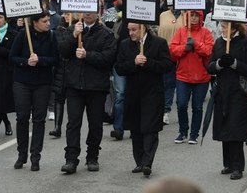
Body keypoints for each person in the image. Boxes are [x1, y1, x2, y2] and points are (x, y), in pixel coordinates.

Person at [59, 12, 116, 174]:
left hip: (96, 86)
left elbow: (109, 59)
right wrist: (74, 36)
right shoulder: (72, 29)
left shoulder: (106, 34)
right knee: (73, 123)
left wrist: (87, 55)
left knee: (95, 123)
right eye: (86, 11)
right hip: (75, 85)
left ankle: (92, 156)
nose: (88, 14)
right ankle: (71, 159)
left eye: (92, 11)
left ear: (98, 13)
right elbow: (63, 52)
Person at [115, 23, 173, 177]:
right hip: (133, 93)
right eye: (129, 30)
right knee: (136, 129)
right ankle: (139, 161)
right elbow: (119, 68)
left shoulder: (159, 43)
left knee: (150, 128)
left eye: (134, 30)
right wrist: (134, 63)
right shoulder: (125, 45)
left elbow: (167, 65)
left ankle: (147, 162)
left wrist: (148, 62)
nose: (131, 33)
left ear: (143, 29)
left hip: (153, 92)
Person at [8, 11, 59, 170]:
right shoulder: (23, 35)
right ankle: (21, 154)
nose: (48, 23)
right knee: (22, 118)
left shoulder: (51, 36)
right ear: (35, 22)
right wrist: (25, 62)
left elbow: (56, 59)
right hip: (22, 82)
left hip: (42, 84)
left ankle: (35, 156)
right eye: (44, 21)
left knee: (39, 120)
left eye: (48, 20)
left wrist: (41, 60)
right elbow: (12, 57)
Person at [206, 21, 247, 180]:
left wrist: (234, 64)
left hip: (239, 92)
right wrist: (219, 64)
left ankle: (238, 167)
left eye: (226, 26)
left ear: (235, 28)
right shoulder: (219, 42)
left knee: (236, 129)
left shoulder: (245, 43)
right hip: (222, 92)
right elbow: (210, 67)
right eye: (222, 26)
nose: (223, 29)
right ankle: (227, 164)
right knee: (224, 127)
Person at [169, 11, 214, 144]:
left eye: (196, 16)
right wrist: (185, 48)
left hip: (201, 76)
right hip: (183, 75)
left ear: (200, 17)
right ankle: (183, 131)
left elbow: (209, 51)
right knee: (181, 105)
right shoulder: (181, 31)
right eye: (192, 16)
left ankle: (194, 134)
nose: (194, 18)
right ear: (188, 17)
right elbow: (172, 50)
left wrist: (196, 45)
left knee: (197, 107)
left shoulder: (206, 32)